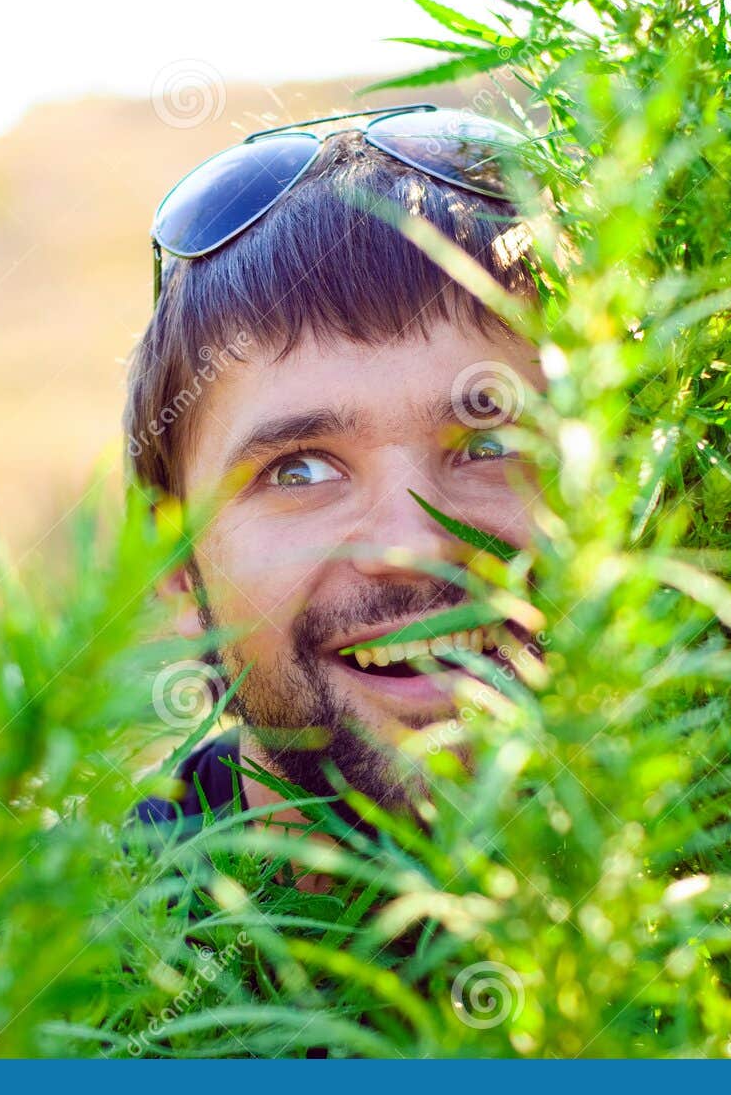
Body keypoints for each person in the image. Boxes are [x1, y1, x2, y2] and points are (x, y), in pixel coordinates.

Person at [126, 105, 545, 836]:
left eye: (488, 446)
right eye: (298, 472)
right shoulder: (38, 948)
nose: (412, 545)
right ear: (177, 570)